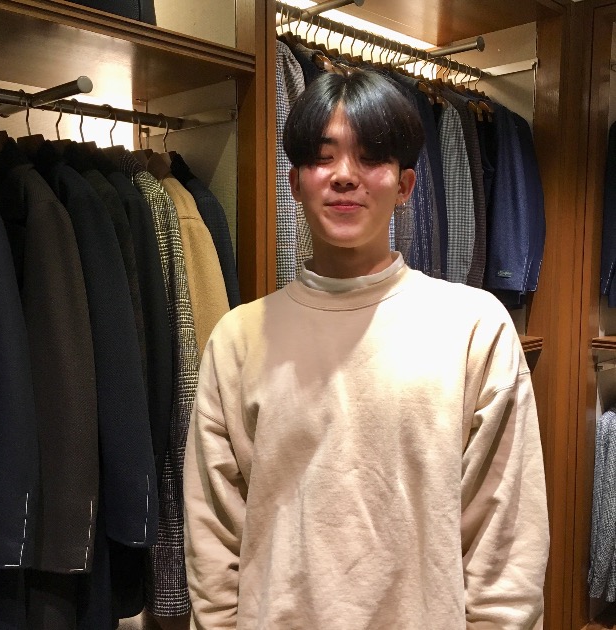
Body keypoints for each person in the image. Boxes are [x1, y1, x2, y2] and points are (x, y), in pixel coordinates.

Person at [183, 69, 549, 629]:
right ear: (294, 182)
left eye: (371, 157)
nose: (345, 176)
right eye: (323, 157)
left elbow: (505, 545)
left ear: (405, 186)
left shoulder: (474, 329)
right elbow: (214, 537)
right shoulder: (238, 338)